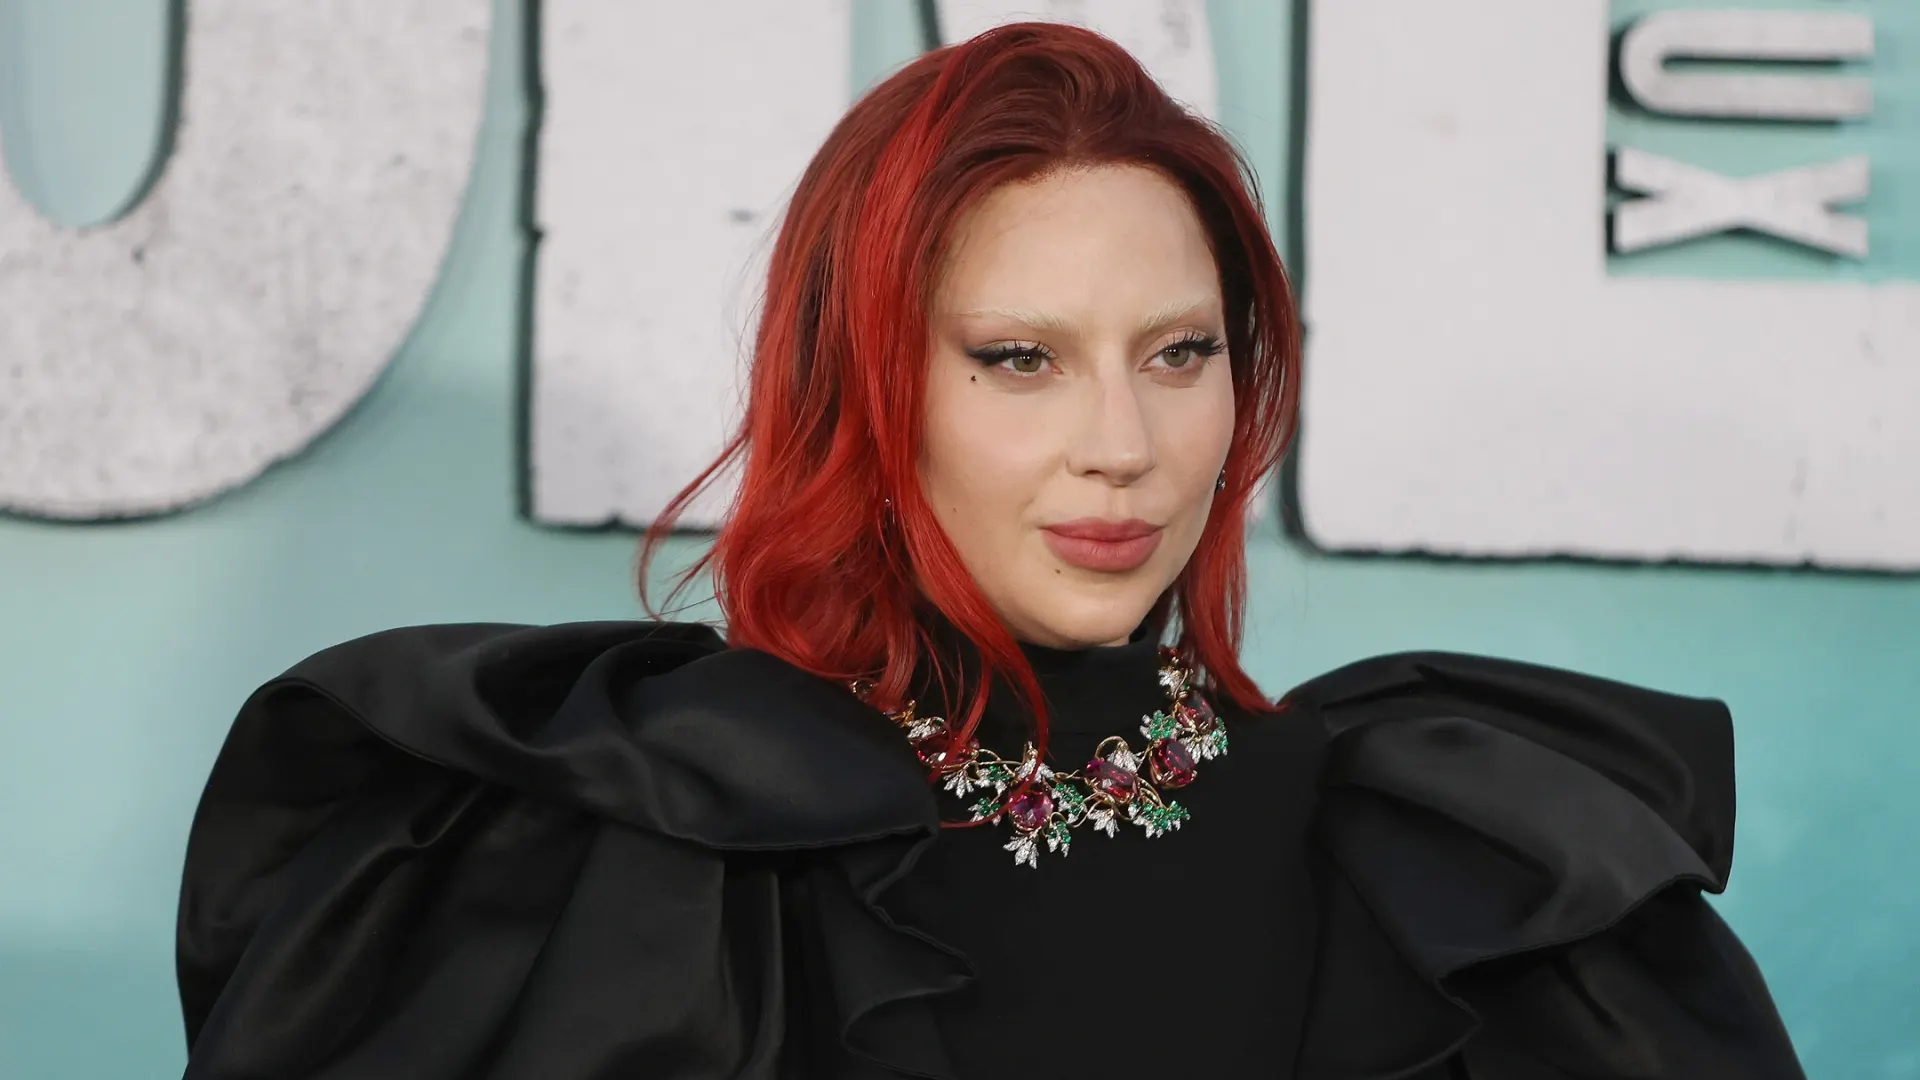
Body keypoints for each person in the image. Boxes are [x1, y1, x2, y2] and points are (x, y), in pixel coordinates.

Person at [173, 21, 1804, 1080]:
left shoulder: (1460, 865)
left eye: (1180, 353)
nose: (1124, 442)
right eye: (1020, 359)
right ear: (867, 389)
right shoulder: (626, 848)